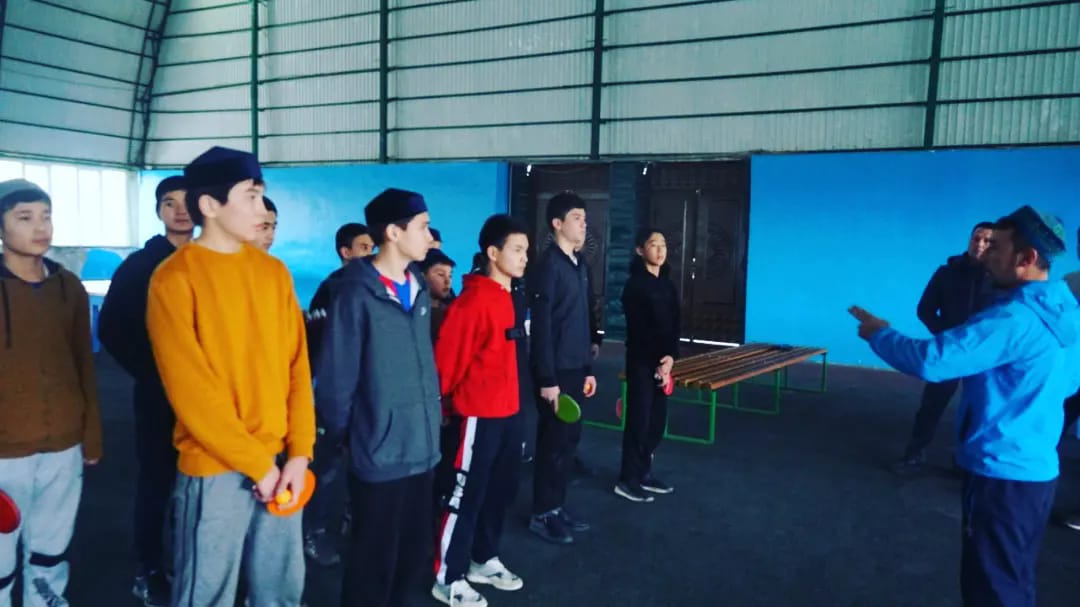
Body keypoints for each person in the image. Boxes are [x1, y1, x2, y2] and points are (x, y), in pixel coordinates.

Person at [849, 206, 1080, 607]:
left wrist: (879, 334)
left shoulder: (1013, 319)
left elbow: (931, 361)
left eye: (997, 247)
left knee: (991, 586)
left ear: (1026, 258)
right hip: (1037, 468)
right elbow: (1069, 383)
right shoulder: (1065, 312)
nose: (986, 254)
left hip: (1000, 472)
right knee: (1013, 575)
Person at [146, 147, 315, 606]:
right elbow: (193, 394)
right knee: (206, 594)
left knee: (280, 592)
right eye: (251, 197)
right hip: (215, 469)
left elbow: (297, 368)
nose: (262, 210)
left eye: (262, 196)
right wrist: (260, 466)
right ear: (210, 205)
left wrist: (299, 454)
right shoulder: (173, 279)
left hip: (281, 463)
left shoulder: (274, 274)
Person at [316, 188, 441, 607]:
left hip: (423, 447)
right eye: (422, 227)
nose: (429, 237)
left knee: (412, 554)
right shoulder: (355, 292)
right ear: (393, 232)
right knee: (374, 559)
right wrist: (345, 437)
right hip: (380, 451)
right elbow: (336, 380)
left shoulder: (418, 286)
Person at [0, 179, 102, 607]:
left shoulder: (69, 288)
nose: (40, 227)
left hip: (64, 444)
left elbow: (83, 363)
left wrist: (90, 433)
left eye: (46, 217)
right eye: (25, 218)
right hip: (5, 451)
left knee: (52, 546)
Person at [97, 175, 193, 606]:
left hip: (209, 399)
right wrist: (153, 373)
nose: (180, 210)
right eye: (170, 202)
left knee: (200, 483)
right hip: (159, 397)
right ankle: (150, 568)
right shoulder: (140, 265)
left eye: (187, 201)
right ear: (158, 211)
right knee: (157, 482)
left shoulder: (211, 259)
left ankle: (192, 561)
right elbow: (112, 328)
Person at [431, 214, 530, 606]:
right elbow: (446, 365)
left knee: (500, 491)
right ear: (493, 252)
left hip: (510, 413)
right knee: (466, 495)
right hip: (478, 416)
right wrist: (442, 406)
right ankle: (448, 577)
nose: (524, 258)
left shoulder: (510, 297)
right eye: (517, 250)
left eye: (526, 251)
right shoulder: (471, 302)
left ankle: (483, 559)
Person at [894, 222, 995, 475]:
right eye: (976, 238)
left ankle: (964, 459)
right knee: (932, 405)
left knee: (979, 406)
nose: (980, 244)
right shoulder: (946, 273)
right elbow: (925, 309)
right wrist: (946, 335)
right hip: (949, 351)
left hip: (982, 355)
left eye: (987, 241)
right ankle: (914, 454)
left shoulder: (998, 279)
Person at [302, 222, 375, 567]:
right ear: (345, 252)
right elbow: (317, 345)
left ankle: (353, 521)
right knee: (327, 467)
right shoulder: (331, 289)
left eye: (372, 247)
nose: (371, 253)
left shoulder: (374, 286)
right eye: (363, 248)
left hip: (366, 393)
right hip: (333, 396)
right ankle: (313, 532)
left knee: (362, 465)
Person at [528, 191, 598, 544]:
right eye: (577, 218)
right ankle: (542, 513)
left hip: (575, 368)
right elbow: (541, 327)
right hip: (554, 373)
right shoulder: (547, 266)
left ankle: (556, 506)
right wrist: (547, 378)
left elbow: (582, 319)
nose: (584, 224)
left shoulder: (579, 264)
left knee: (569, 442)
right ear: (557, 223)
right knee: (553, 444)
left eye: (585, 218)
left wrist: (588, 368)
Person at [615, 228, 679, 503]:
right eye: (653, 244)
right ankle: (627, 479)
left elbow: (675, 324)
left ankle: (644, 472)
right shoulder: (635, 286)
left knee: (656, 423)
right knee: (638, 422)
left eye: (663, 244)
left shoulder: (667, 284)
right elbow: (640, 331)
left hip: (663, 363)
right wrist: (656, 364)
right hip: (642, 361)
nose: (660, 249)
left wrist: (670, 358)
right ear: (640, 250)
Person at [422, 247, 456, 343]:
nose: (447, 281)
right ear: (423, 276)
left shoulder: (452, 312)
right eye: (441, 274)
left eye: (450, 275)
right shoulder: (416, 314)